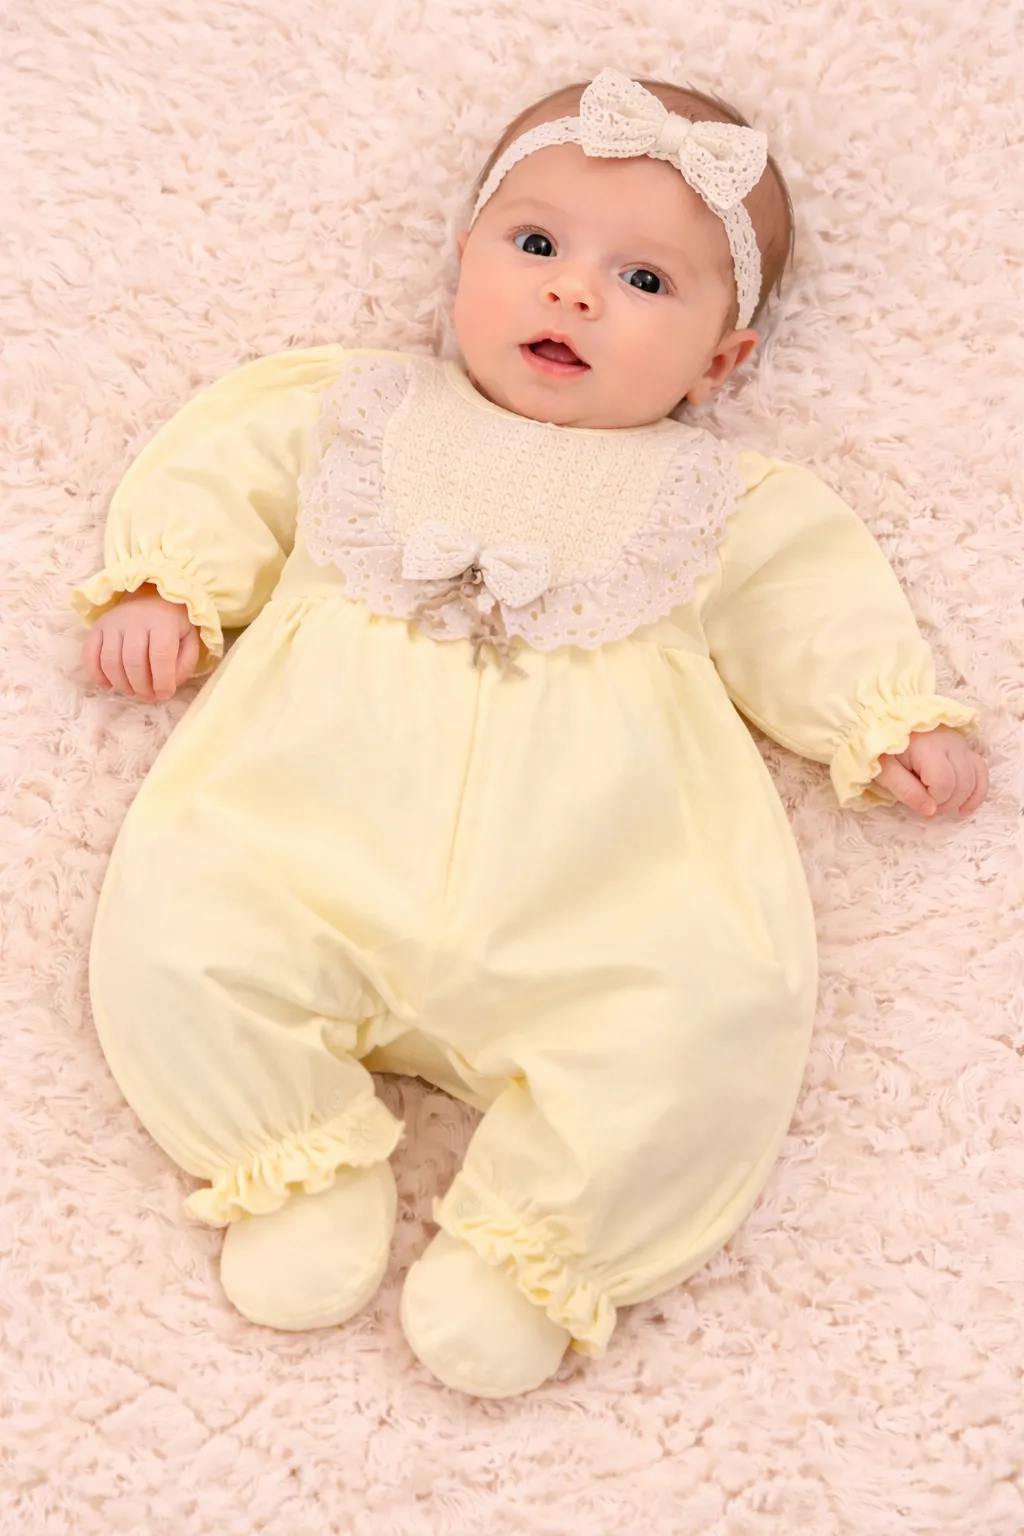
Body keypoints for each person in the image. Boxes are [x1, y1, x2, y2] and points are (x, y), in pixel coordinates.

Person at [73, 70, 988, 1398]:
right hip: (308, 832)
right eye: (538, 243)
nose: (574, 293)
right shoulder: (354, 411)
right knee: (185, 925)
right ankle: (289, 1159)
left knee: (702, 1016)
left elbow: (813, 606)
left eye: (646, 280)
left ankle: (536, 1251)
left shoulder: (725, 503)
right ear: (463, 259)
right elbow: (226, 465)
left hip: (595, 892)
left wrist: (882, 714)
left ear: (721, 361)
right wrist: (170, 581)